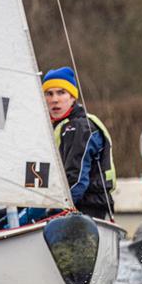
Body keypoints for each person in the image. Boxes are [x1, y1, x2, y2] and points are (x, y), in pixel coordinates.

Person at [43, 66, 115, 219]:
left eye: (61, 92)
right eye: (49, 94)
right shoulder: (53, 126)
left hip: (86, 208)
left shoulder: (79, 128)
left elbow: (76, 180)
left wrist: (53, 212)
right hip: (59, 203)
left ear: (72, 97)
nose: (54, 99)